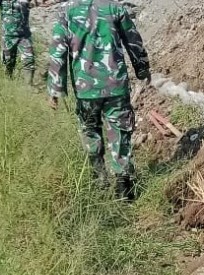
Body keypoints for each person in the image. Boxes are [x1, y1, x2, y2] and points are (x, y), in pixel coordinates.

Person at [47, 0, 150, 201]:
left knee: (89, 130)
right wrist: (142, 69)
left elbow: (57, 51)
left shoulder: (66, 12)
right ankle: (124, 187)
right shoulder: (115, 8)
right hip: (116, 87)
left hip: (86, 90)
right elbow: (133, 41)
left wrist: (55, 88)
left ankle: (100, 179)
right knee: (120, 132)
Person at [0, 0, 37, 86]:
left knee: (29, 60)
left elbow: (37, 3)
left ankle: (28, 88)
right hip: (8, 36)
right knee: (8, 63)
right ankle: (8, 85)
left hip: (24, 36)